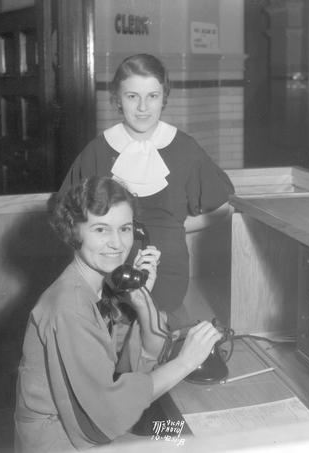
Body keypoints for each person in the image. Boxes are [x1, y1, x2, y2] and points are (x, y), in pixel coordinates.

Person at [15, 176, 222, 452]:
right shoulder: (70, 306)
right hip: (64, 441)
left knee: (182, 437)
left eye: (124, 228)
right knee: (189, 444)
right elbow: (106, 414)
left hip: (83, 429)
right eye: (101, 230)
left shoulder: (93, 288)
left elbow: (132, 365)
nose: (117, 243)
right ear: (74, 231)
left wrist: (140, 296)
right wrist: (185, 363)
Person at [59, 53, 234, 329]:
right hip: (107, 274)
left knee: (163, 345)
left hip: (167, 272)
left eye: (152, 96)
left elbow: (224, 209)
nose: (143, 107)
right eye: (132, 96)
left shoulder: (185, 148)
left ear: (163, 97)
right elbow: (65, 212)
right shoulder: (97, 151)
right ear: (118, 99)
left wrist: (175, 226)